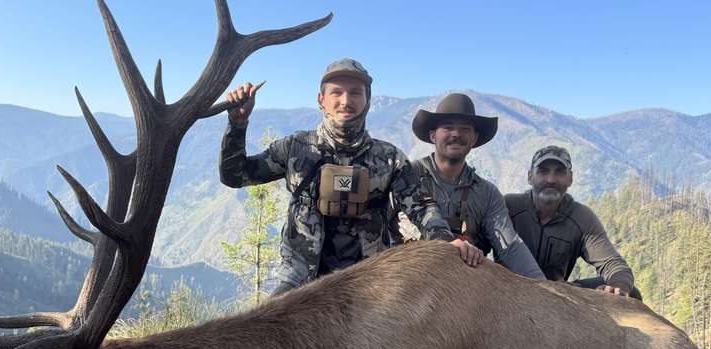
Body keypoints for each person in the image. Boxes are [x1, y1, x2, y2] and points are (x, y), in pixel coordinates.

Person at [219, 59, 484, 295]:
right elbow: (235, 176)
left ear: (367, 100)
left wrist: (447, 242)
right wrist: (237, 125)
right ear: (321, 100)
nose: (346, 101)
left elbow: (423, 207)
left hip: (369, 286)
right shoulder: (294, 149)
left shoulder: (389, 158)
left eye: (355, 92)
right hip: (298, 284)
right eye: (337, 92)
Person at [392, 93, 545, 280]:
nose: (456, 134)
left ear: (474, 139)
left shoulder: (487, 193)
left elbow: (510, 247)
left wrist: (542, 287)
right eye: (448, 127)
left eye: (464, 129)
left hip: (463, 287)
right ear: (433, 136)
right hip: (405, 281)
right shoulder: (405, 178)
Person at [505, 146, 641, 299]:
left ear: (570, 179)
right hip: (508, 288)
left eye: (560, 172)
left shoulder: (582, 218)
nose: (551, 180)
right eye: (543, 171)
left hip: (557, 293)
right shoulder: (507, 207)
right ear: (530, 177)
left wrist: (618, 286)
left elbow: (613, 264)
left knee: (633, 294)